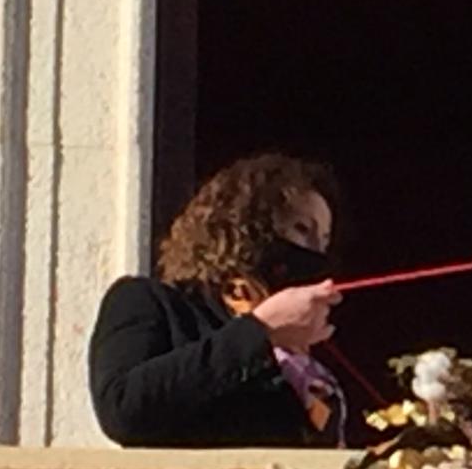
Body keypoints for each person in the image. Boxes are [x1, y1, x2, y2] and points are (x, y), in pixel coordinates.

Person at [88, 154, 347, 448]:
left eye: (324, 240)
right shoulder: (150, 301)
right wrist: (260, 330)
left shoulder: (303, 358)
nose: (317, 252)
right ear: (248, 229)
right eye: (302, 230)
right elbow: (122, 409)